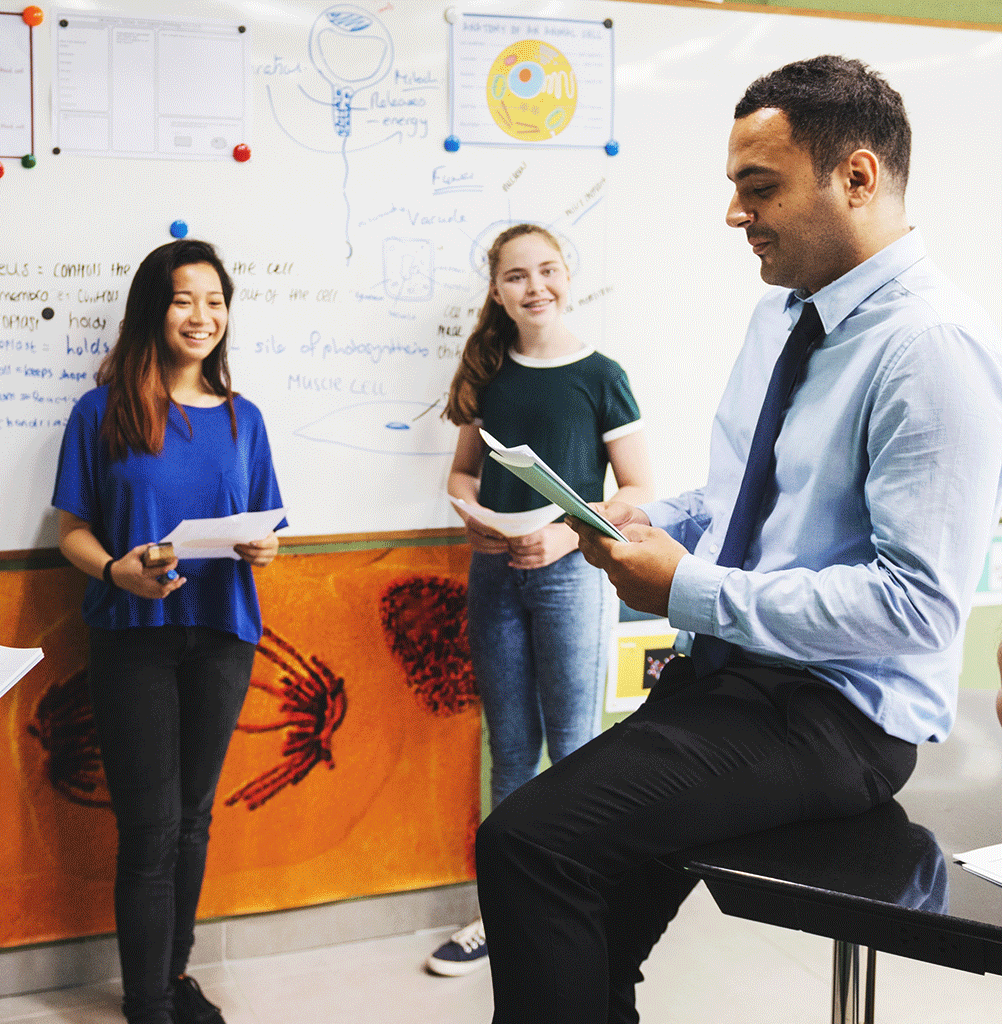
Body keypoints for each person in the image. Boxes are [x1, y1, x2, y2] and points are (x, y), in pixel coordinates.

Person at [476, 55, 1002, 1024]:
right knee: (577, 913)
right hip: (734, 678)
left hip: (839, 713)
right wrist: (656, 522)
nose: (735, 213)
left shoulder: (930, 348)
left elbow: (918, 607)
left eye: (759, 187)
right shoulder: (782, 315)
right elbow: (743, 495)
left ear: (857, 176)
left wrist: (685, 588)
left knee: (529, 844)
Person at [51, 239, 283, 1024]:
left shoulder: (246, 418)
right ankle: (146, 1001)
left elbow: (267, 525)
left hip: (223, 631)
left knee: (192, 819)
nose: (202, 316)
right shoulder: (101, 411)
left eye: (215, 302)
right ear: (154, 308)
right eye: (185, 300)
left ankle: (174, 975)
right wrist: (116, 570)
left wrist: (264, 547)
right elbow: (72, 532)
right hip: (133, 633)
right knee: (150, 828)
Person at [427, 224, 653, 976]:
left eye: (548, 270)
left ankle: (582, 912)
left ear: (567, 276)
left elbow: (639, 488)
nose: (535, 287)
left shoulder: (602, 374)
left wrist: (564, 534)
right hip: (493, 572)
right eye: (517, 276)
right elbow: (464, 474)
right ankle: (504, 914)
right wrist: (473, 513)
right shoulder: (489, 372)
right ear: (497, 291)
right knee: (512, 747)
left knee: (576, 747)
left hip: (572, 573)